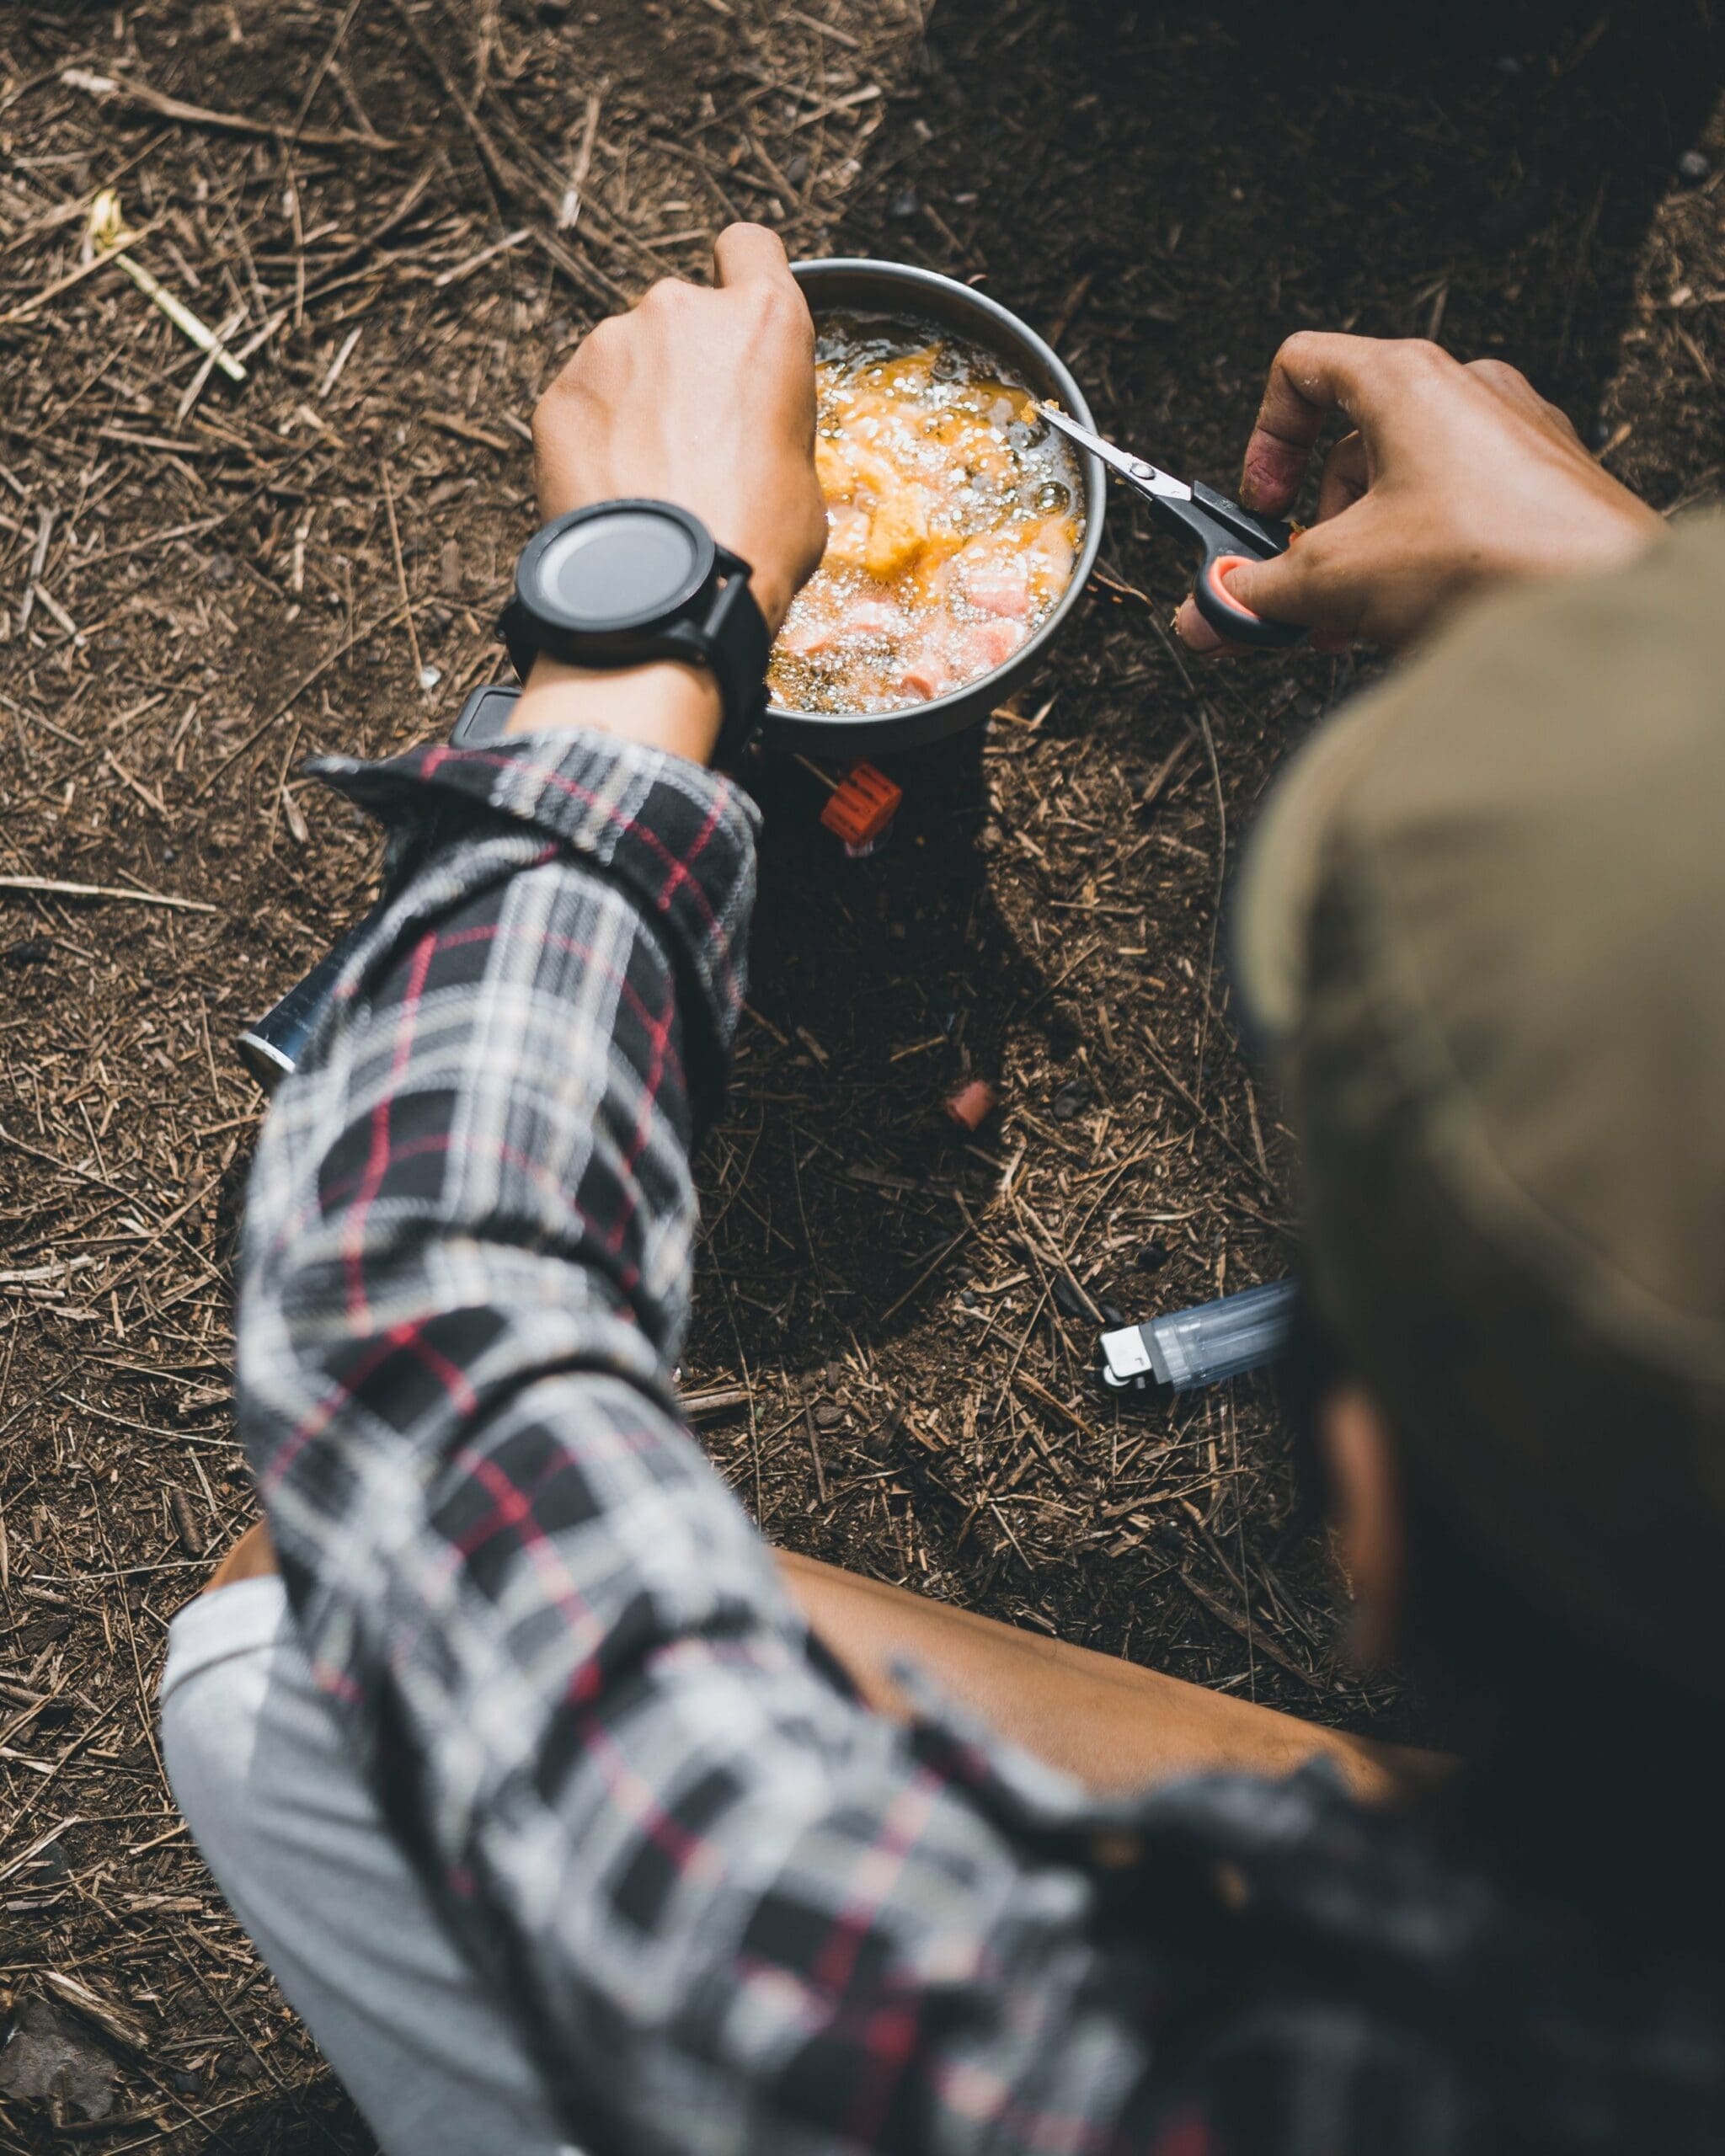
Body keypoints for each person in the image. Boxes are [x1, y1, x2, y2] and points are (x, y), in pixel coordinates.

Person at [161, 223, 1725, 2153]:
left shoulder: (1085, 2054)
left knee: (287, 1643)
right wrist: (1640, 632)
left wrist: (640, 629)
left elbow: (416, 1377)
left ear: (1368, 1501)